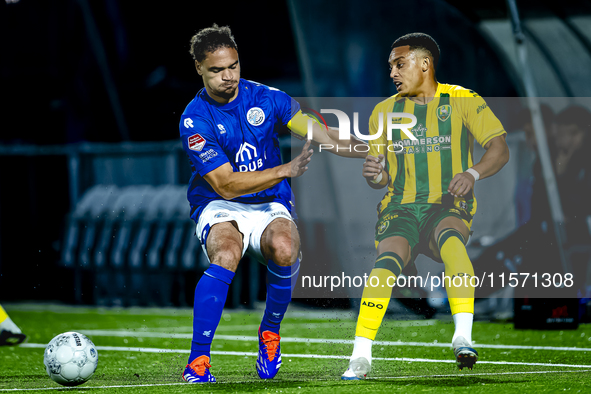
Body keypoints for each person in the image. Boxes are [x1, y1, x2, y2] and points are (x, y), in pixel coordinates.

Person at [179, 24, 365, 383]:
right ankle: (198, 360)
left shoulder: (267, 97)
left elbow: (322, 134)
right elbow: (226, 184)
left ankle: (270, 333)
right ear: (199, 69)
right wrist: (286, 169)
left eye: (233, 66)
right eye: (216, 70)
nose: (228, 76)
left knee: (285, 246)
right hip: (219, 203)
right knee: (227, 253)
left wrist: (372, 149)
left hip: (268, 202)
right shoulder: (195, 118)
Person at [341, 33, 510, 380]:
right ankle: (360, 356)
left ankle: (463, 335)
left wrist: (473, 173)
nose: (392, 73)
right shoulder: (384, 111)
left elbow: (499, 148)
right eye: (390, 66)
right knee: (386, 263)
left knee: (452, 242)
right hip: (400, 207)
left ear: (425, 64)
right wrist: (375, 173)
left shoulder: (462, 99)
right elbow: (380, 175)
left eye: (399, 64)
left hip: (446, 205)